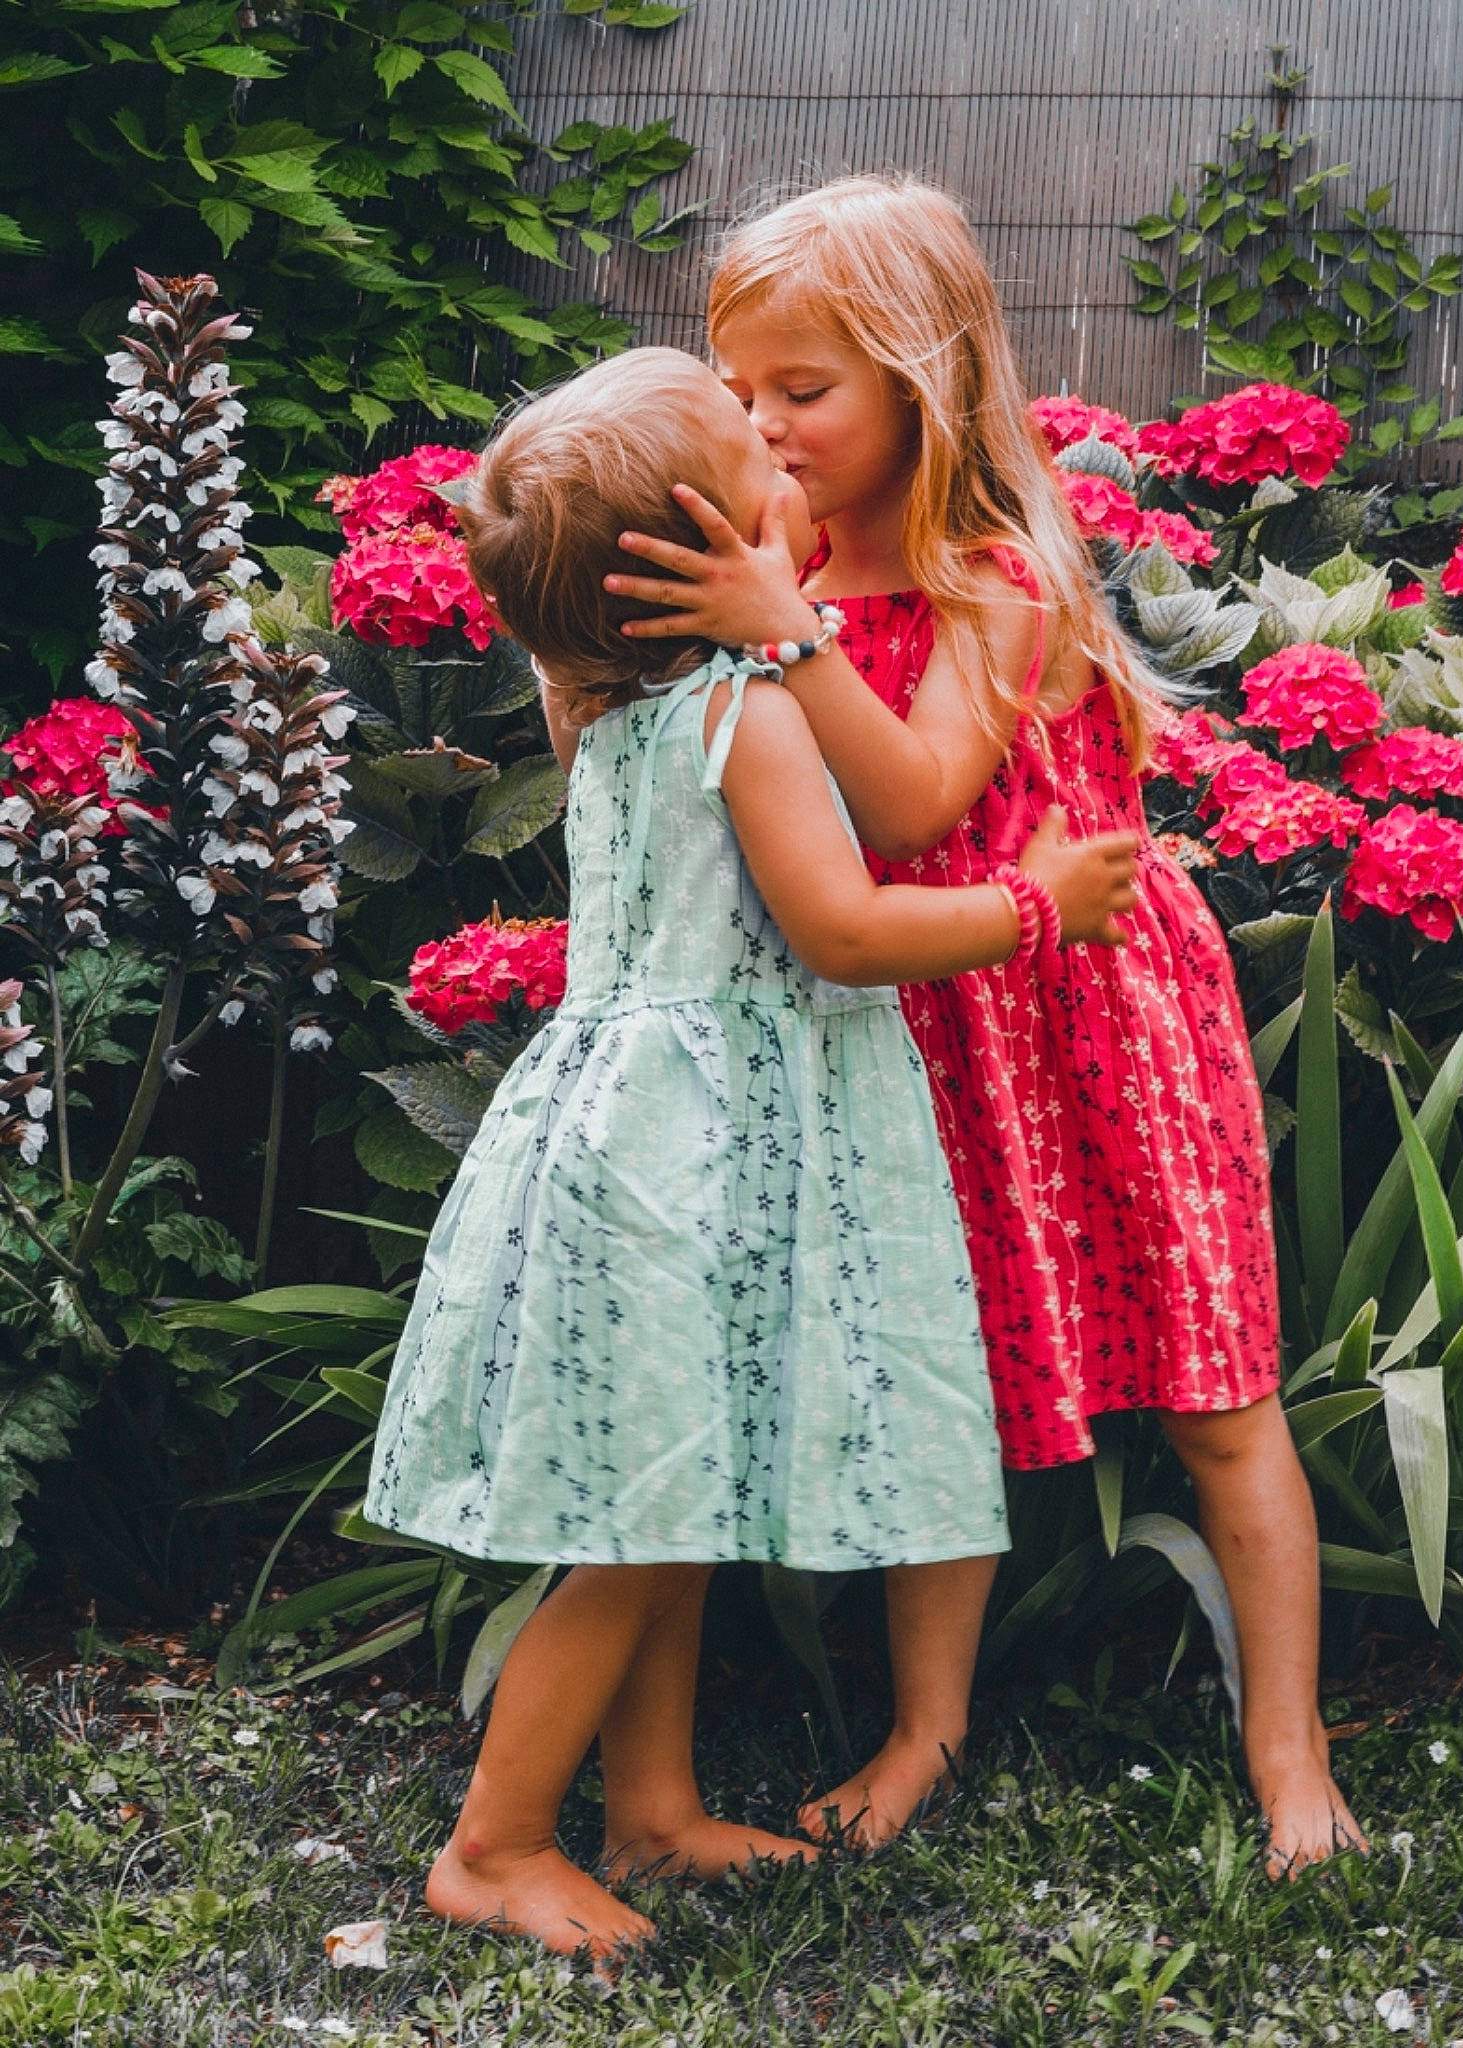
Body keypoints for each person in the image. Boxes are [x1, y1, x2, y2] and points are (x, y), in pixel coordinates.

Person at [605, 176, 1367, 1878]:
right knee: (944, 1388)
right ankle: (923, 1729)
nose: (761, 426)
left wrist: (784, 632)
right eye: (736, 389)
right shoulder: (777, 572)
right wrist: (762, 606)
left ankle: (1289, 1747)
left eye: (801, 392)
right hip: (919, 1032)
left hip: (1099, 1025)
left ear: (921, 386)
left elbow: (920, 794)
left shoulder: (989, 572)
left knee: (1214, 1386)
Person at [362, 345, 1141, 1956]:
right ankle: (495, 1847)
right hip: (699, 1159)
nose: (798, 477)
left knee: (673, 1496)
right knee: (636, 1534)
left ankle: (651, 1815)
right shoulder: (742, 710)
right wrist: (1030, 909)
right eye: (761, 470)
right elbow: (845, 931)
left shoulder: (611, 709)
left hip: (642, 1142)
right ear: (692, 558)